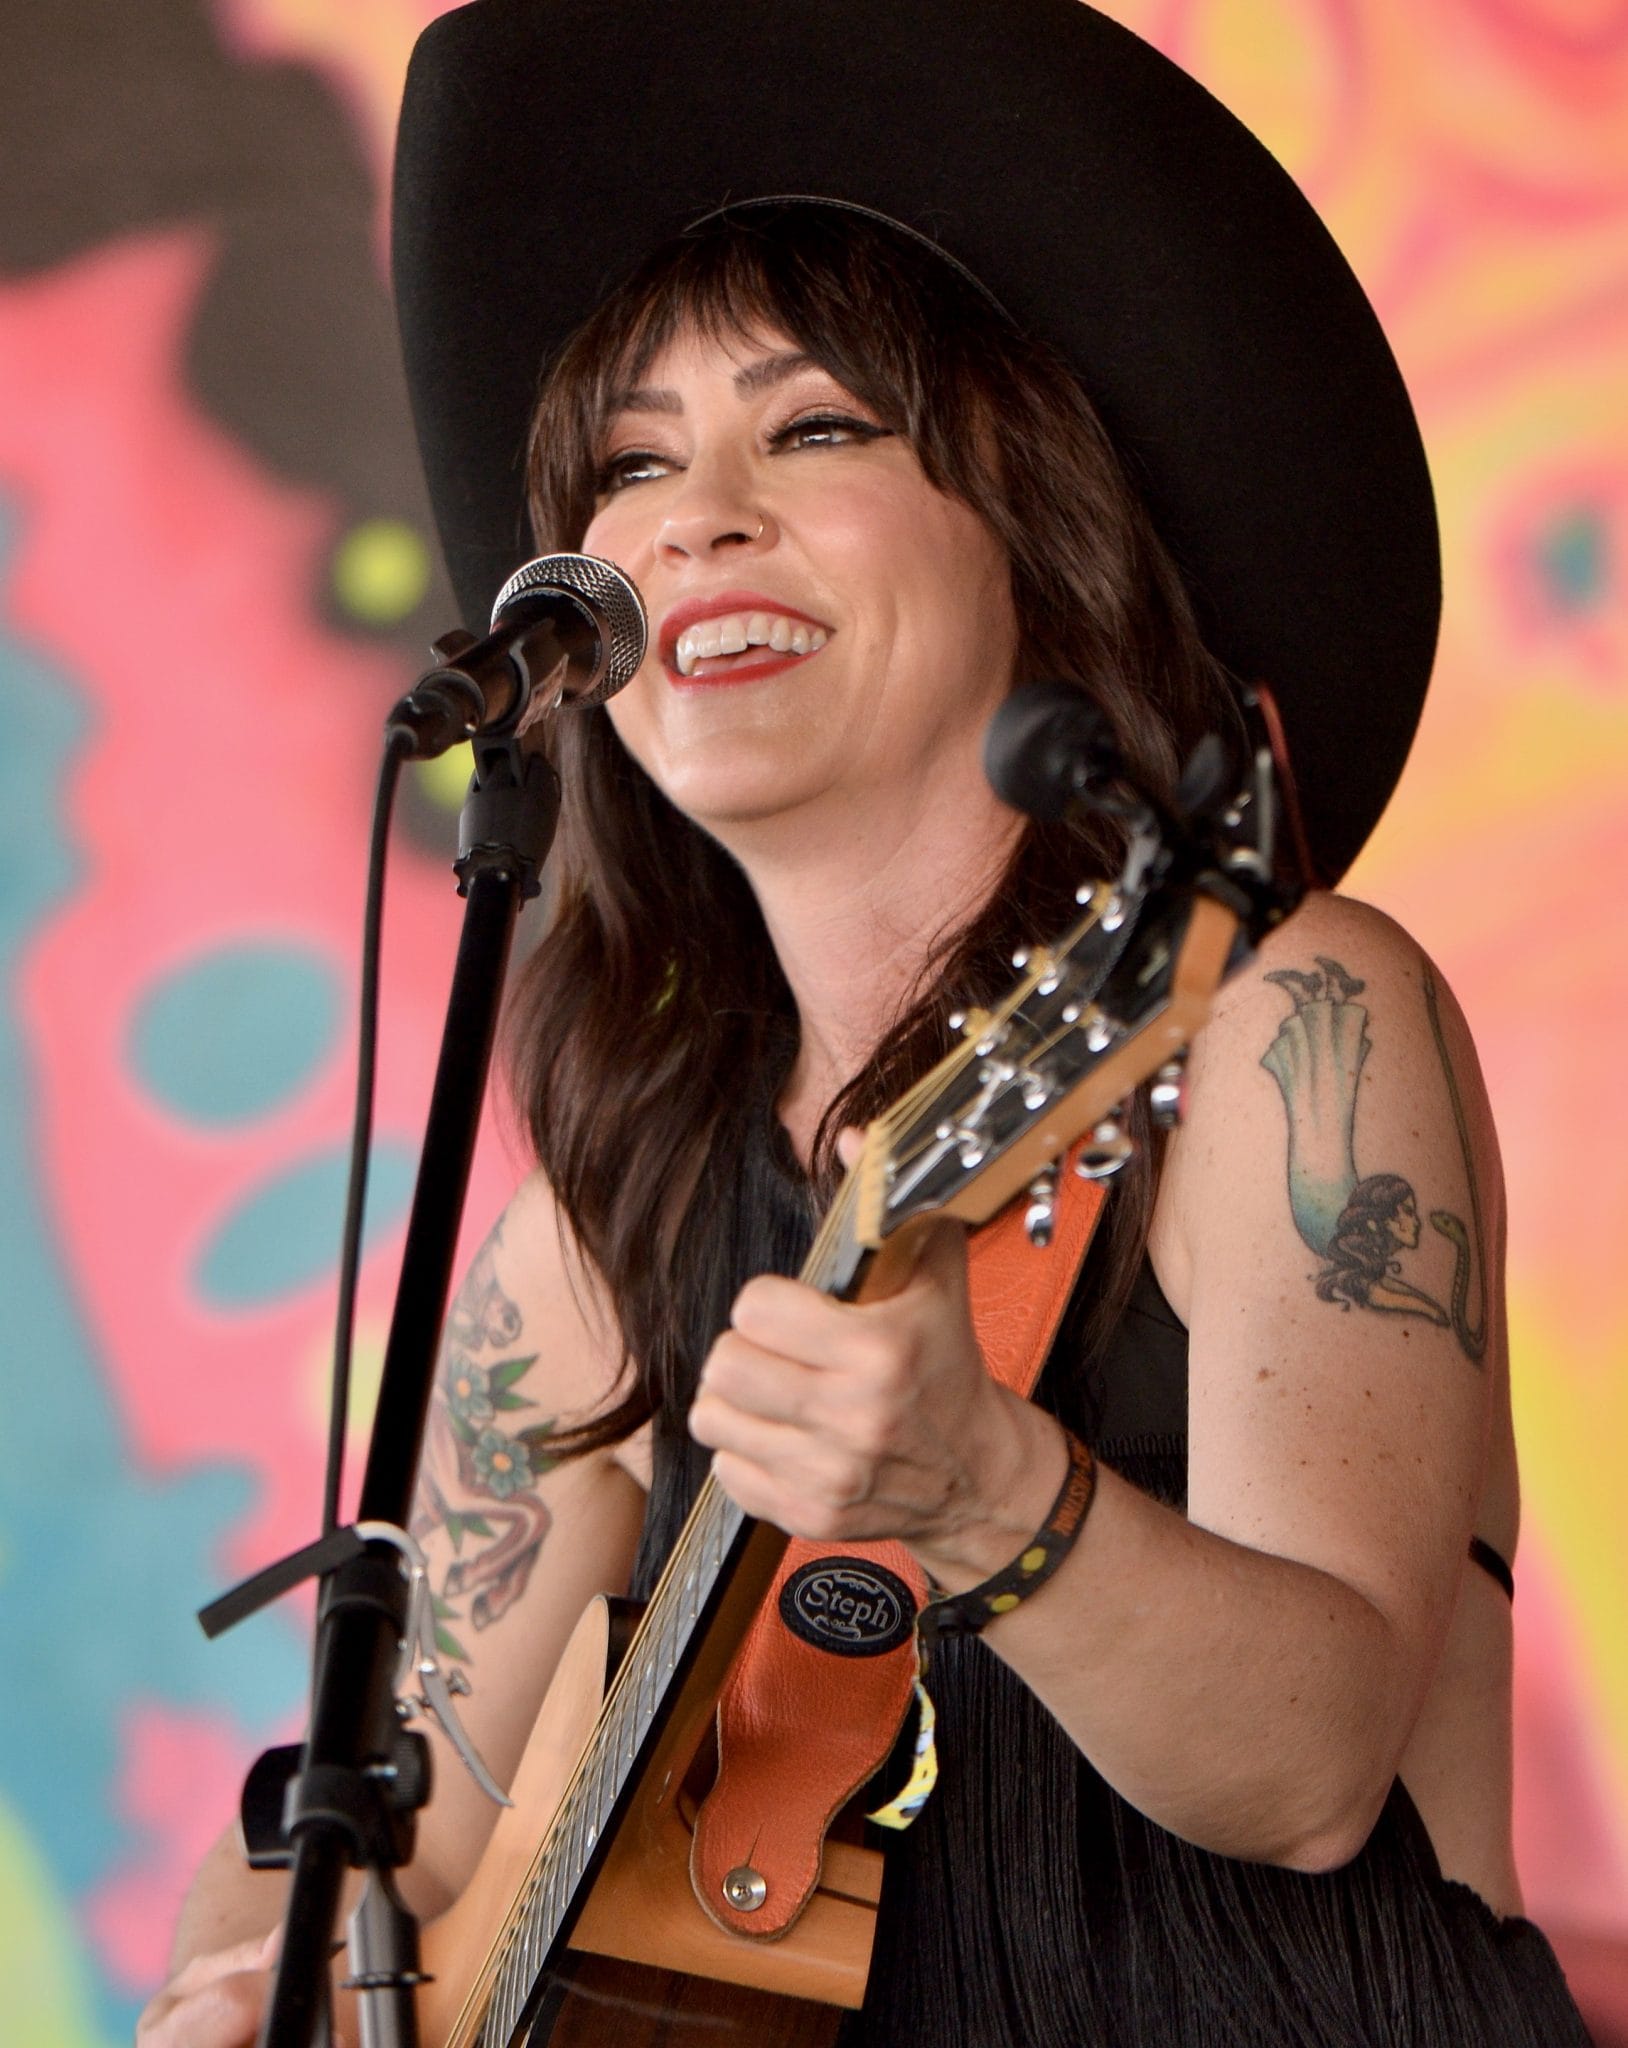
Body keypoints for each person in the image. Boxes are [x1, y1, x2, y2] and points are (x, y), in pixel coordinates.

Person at [138, 3, 1594, 2043]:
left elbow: (1309, 1776)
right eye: (630, 463)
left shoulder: (1282, 1017)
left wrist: (992, 1494)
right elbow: (395, 1818)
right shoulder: (609, 1222)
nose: (694, 518)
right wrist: (243, 1969)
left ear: (1026, 521)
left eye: (813, 429)